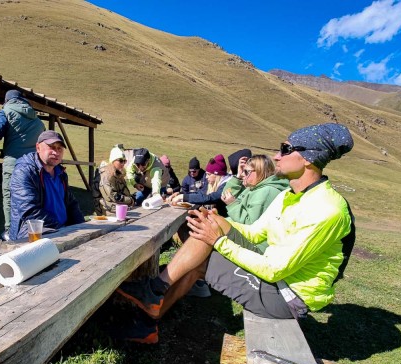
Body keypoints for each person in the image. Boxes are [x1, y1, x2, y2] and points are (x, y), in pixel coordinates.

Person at [117, 123, 355, 324]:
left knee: (204, 255)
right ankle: (154, 298)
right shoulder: (289, 195)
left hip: (288, 295)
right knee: (209, 224)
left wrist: (219, 240)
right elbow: (255, 232)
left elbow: (274, 269)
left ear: (309, 159)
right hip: (276, 277)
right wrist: (218, 221)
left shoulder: (326, 209)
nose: (276, 156)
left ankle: (153, 302)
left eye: (286, 149)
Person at [0, 90, 45, 239]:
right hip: (33, 164)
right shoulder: (37, 120)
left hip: (13, 163)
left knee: (10, 195)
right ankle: (31, 229)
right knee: (32, 195)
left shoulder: (6, 111)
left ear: (7, 100)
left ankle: (10, 231)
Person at [9, 130, 85, 239]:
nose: (56, 152)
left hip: (62, 230)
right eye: (52, 147)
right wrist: (61, 229)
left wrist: (81, 227)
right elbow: (30, 211)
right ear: (38, 147)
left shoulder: (61, 173)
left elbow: (71, 203)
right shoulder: (24, 171)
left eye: (59, 148)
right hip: (34, 232)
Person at [221, 154, 289, 252]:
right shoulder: (254, 188)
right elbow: (225, 195)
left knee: (206, 231)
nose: (243, 174)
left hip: (257, 245)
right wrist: (238, 177)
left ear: (260, 172)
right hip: (245, 234)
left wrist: (233, 204)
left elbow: (250, 224)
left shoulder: (266, 192)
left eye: (246, 171)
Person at [95, 145, 135, 214]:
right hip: (108, 212)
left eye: (124, 161)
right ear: (113, 161)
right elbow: (111, 196)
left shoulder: (117, 173)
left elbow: (124, 192)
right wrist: (130, 200)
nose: (123, 164)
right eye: (120, 161)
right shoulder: (106, 175)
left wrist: (132, 199)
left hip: (119, 209)